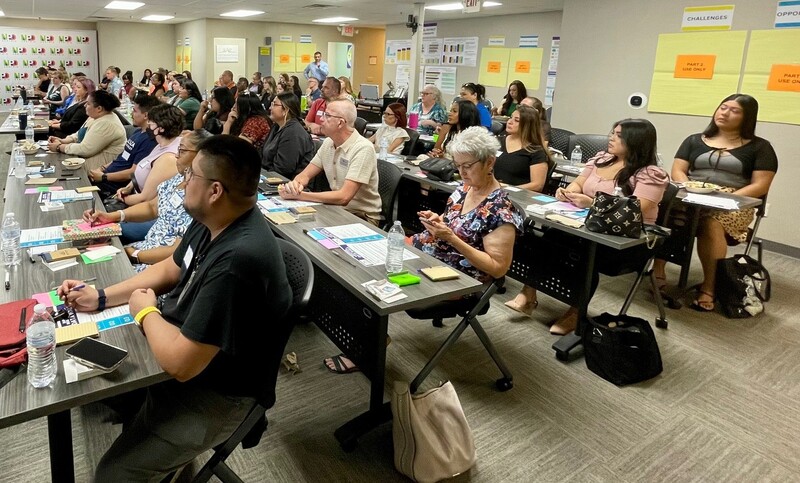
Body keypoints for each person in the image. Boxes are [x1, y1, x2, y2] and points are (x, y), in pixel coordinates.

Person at [60, 135, 293, 481]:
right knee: (97, 386)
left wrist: (144, 311)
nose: (182, 182)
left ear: (215, 191)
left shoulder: (239, 259)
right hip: (189, 352)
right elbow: (172, 268)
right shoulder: (213, 218)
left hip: (219, 392)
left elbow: (182, 364)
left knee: (112, 475)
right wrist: (103, 296)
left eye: (191, 176)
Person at [324, 127, 523, 373]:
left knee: (375, 276)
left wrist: (450, 238)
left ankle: (370, 343)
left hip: (460, 278)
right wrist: (437, 221)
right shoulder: (465, 188)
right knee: (363, 259)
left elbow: (497, 267)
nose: (461, 173)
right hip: (431, 254)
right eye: (457, 165)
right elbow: (454, 224)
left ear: (489, 162)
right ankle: (367, 334)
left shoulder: (500, 209)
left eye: (467, 166)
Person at [507, 119, 668, 335]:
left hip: (625, 241)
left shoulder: (650, 173)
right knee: (540, 238)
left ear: (637, 141)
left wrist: (590, 202)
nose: (611, 137)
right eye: (613, 132)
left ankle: (576, 312)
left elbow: (638, 207)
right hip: (586, 225)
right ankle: (529, 293)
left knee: (580, 253)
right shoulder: (601, 160)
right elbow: (579, 183)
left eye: (619, 135)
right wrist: (568, 192)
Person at [653, 94, 777, 312]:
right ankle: (658, 270)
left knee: (711, 222)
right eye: (723, 107)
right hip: (692, 194)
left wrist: (728, 198)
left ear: (747, 118)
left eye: (734, 111)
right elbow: (678, 171)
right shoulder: (694, 140)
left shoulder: (760, 147)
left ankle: (709, 287)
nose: (725, 113)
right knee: (667, 211)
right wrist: (689, 188)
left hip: (735, 201)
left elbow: (761, 185)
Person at [84, 129, 212, 272]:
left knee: (100, 272)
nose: (176, 155)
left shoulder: (199, 199)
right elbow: (152, 207)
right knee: (88, 257)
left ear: (201, 156)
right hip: (145, 247)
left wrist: (135, 255)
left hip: (156, 264)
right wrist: (110, 217)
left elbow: (177, 251)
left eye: (182, 150)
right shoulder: (179, 177)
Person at [280, 99, 382, 224]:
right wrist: (295, 186)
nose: (321, 119)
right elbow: (305, 175)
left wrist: (300, 196)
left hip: (361, 216)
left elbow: (344, 197)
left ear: (340, 123)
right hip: (336, 209)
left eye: (327, 115)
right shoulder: (329, 142)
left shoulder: (362, 148)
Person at [88, 93, 161, 198]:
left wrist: (104, 177)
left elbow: (133, 172)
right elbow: (121, 157)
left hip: (112, 186)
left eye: (135, 111)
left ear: (146, 115)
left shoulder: (149, 141)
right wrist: (102, 168)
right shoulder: (138, 132)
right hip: (105, 177)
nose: (131, 114)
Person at [47, 89, 126, 171]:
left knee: (58, 168)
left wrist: (59, 147)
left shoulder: (107, 123)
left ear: (99, 108)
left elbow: (85, 149)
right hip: (87, 159)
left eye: (88, 104)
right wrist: (63, 141)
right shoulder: (94, 116)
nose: (84, 106)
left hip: (100, 167)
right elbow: (78, 135)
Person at [494, 105, 552, 191]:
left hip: (517, 196)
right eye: (511, 117)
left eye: (516, 120)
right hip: (491, 191)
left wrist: (507, 189)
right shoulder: (496, 142)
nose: (509, 122)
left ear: (528, 125)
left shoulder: (536, 151)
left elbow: (537, 185)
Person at [261, 92, 314, 178]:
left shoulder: (293, 133)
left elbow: (283, 169)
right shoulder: (276, 126)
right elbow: (263, 155)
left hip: (285, 183)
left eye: (274, 104)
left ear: (285, 110)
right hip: (269, 175)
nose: (270, 108)